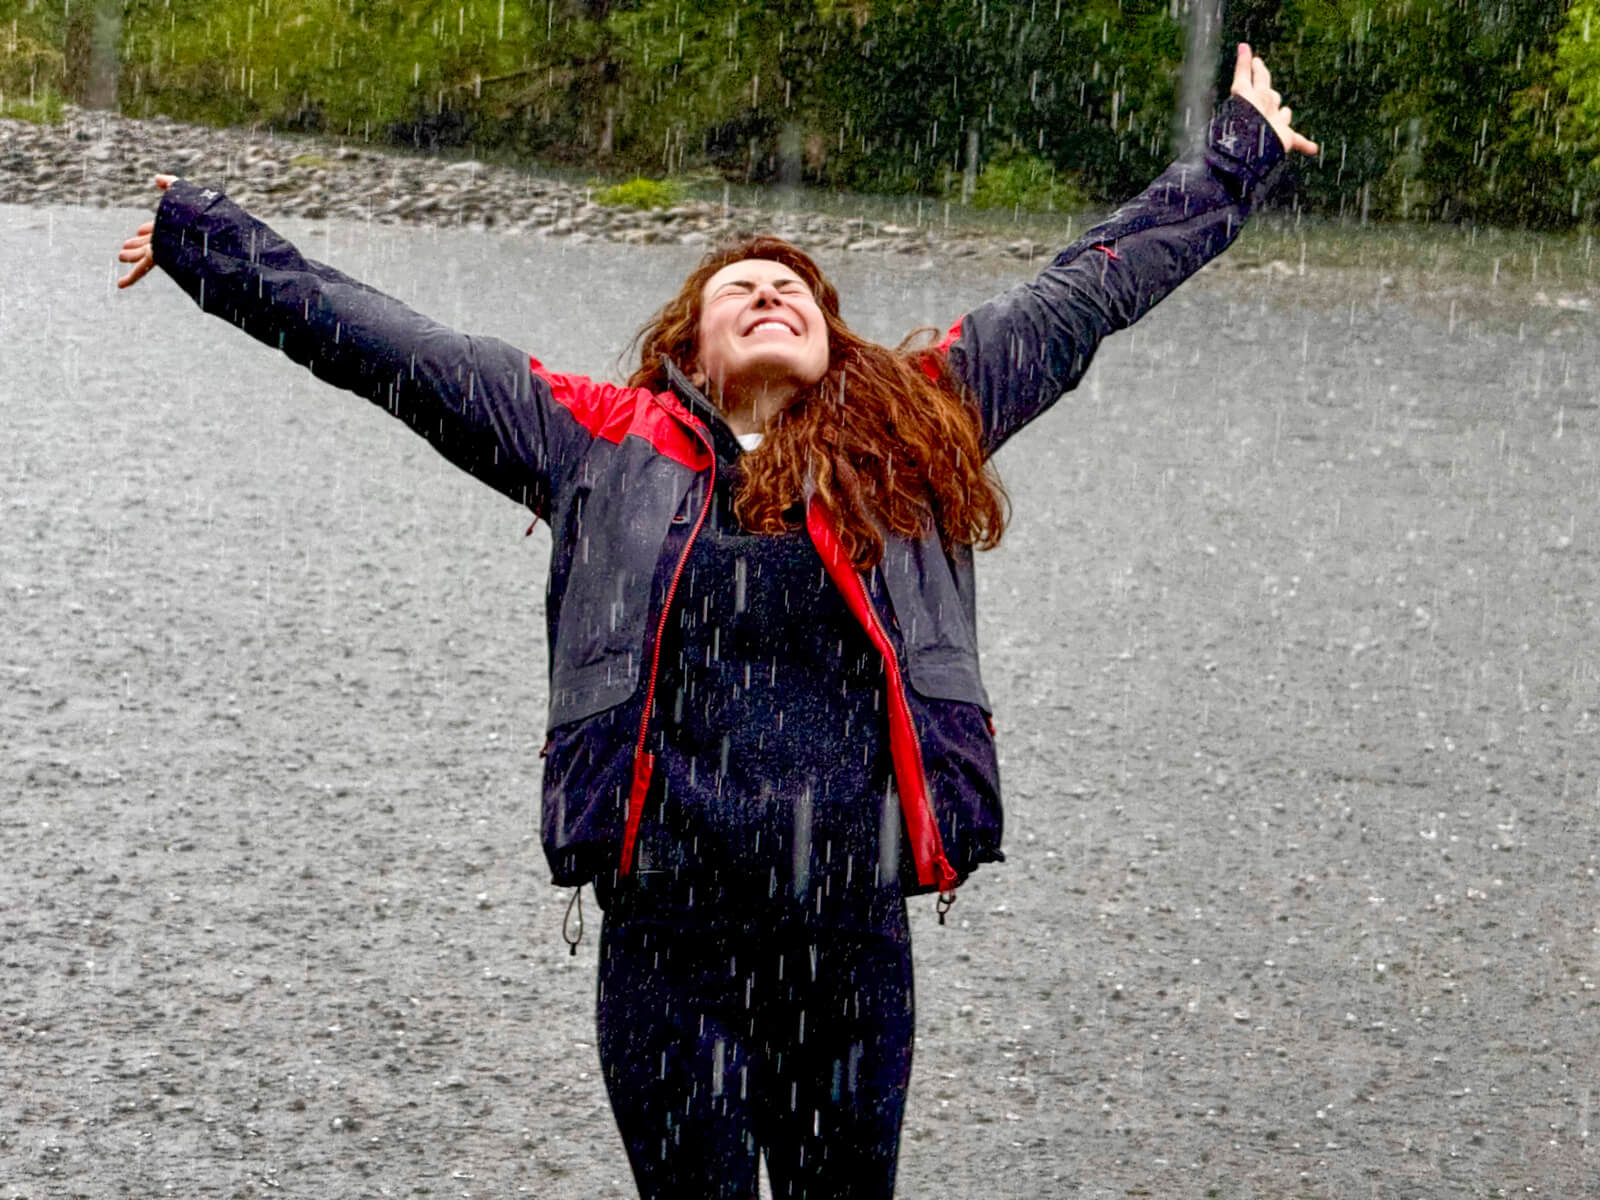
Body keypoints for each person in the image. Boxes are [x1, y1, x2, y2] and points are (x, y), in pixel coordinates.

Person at [117, 42, 1316, 1200]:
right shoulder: (598, 441)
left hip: (846, 945)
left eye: (792, 287)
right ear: (687, 344)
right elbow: (392, 346)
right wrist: (204, 242)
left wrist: (1235, 159)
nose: (769, 291)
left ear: (829, 335)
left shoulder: (915, 424)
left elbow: (1087, 287)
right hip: (667, 947)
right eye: (738, 288)